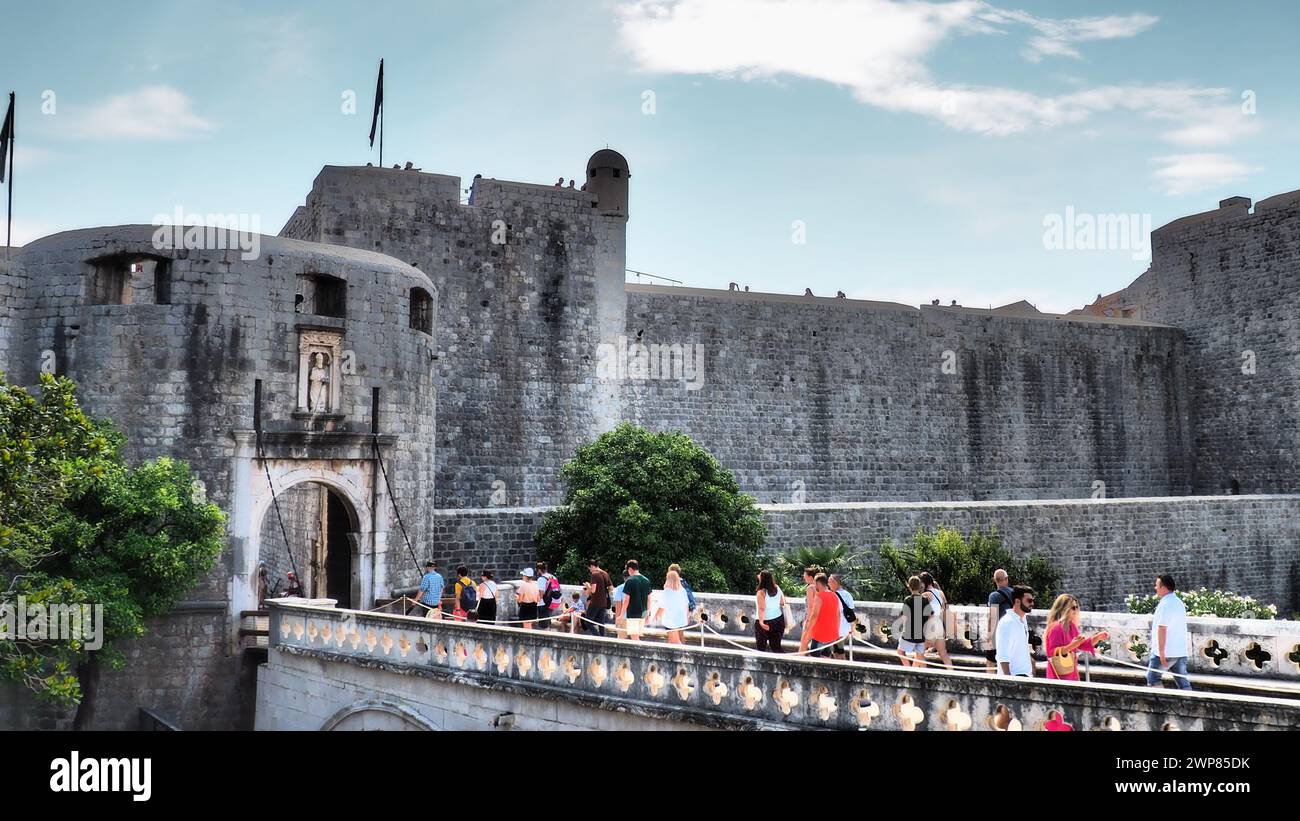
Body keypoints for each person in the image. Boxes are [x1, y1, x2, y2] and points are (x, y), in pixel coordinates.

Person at [1044, 594, 1108, 681]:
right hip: (1058, 675)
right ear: (1064, 608)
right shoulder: (1056, 628)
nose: (1076, 610)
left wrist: (1097, 637)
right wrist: (1072, 645)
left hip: (1070, 671)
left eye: (1077, 607)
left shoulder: (1071, 626)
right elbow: (1051, 652)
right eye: (1073, 607)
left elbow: (1082, 645)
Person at [1147, 574, 1192, 690]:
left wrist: (1162, 653)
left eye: (1157, 585)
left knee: (1152, 679)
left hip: (1166, 653)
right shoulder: (1178, 602)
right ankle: (1190, 705)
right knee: (1183, 683)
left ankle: (1159, 705)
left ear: (1164, 588)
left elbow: (1162, 628)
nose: (1155, 588)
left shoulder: (1165, 604)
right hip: (1180, 651)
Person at [995, 586, 1035, 677]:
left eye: (1033, 600)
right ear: (1017, 601)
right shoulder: (1007, 623)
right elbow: (1002, 655)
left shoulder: (1022, 620)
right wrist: (1009, 681)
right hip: (1015, 677)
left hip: (1025, 676)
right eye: (1029, 600)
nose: (1032, 603)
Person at [919, 572, 953, 670]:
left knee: (919, 652)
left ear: (924, 583)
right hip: (938, 624)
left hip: (930, 625)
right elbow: (945, 609)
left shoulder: (925, 595)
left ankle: (921, 675)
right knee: (943, 654)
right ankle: (952, 673)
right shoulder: (940, 593)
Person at [803, 574, 841, 658]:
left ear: (819, 584)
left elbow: (814, 616)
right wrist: (836, 632)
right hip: (832, 634)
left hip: (819, 635)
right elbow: (838, 615)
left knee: (814, 660)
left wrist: (807, 632)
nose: (814, 586)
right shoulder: (834, 595)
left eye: (815, 584)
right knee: (826, 659)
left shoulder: (819, 597)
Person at [896, 576, 930, 667]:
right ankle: (919, 673)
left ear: (909, 586)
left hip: (909, 632)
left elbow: (904, 617)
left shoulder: (908, 600)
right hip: (922, 633)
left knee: (900, 652)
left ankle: (909, 670)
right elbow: (930, 615)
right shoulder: (925, 600)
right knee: (919, 656)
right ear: (919, 586)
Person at [985, 569, 1015, 673]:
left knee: (990, 661)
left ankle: (990, 684)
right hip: (1014, 631)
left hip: (999, 633)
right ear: (1006, 579)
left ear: (994, 580)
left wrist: (989, 637)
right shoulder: (1015, 593)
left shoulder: (994, 596)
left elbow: (992, 617)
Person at [652, 569, 691, 644]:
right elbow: (686, 604)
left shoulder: (667, 591)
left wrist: (656, 616)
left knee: (675, 641)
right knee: (671, 640)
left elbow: (662, 606)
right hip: (681, 618)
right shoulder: (682, 590)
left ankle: (686, 655)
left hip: (671, 619)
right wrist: (687, 617)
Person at [618, 560, 652, 641]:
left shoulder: (629, 581)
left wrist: (621, 615)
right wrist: (648, 613)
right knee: (636, 637)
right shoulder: (646, 580)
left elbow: (626, 600)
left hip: (633, 614)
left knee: (634, 638)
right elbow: (649, 599)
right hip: (642, 614)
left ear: (630, 569)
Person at [754, 570, 787, 653]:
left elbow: (762, 608)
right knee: (776, 647)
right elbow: (782, 602)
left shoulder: (761, 592)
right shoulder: (777, 588)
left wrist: (761, 622)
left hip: (766, 621)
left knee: (761, 647)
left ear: (762, 578)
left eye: (760, 575)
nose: (758, 576)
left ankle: (762, 665)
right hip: (778, 620)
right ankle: (784, 664)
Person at [828, 574, 855, 659]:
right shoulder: (847, 594)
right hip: (846, 628)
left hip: (837, 629)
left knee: (838, 651)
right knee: (837, 651)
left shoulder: (833, 595)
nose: (828, 583)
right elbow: (851, 609)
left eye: (829, 581)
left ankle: (844, 670)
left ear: (835, 582)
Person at [585, 558, 614, 637]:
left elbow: (593, 590)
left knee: (587, 621)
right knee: (601, 623)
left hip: (595, 602)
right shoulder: (605, 573)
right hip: (604, 602)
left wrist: (588, 586)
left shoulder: (594, 574)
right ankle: (602, 638)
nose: (590, 570)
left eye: (589, 568)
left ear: (592, 566)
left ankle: (597, 636)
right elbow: (611, 588)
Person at [798, 566, 820, 653]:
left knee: (804, 643)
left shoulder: (810, 588)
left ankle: (800, 662)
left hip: (812, 619)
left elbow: (811, 607)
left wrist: (807, 621)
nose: (804, 577)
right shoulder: (820, 587)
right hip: (820, 619)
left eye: (805, 576)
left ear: (810, 577)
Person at [536, 561, 562, 629]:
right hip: (552, 602)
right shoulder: (552, 577)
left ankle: (545, 639)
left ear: (539, 570)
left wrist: (536, 601)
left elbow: (541, 594)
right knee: (547, 622)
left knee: (543, 625)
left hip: (543, 604)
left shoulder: (541, 579)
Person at [611, 570, 629, 639]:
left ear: (624, 577)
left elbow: (618, 605)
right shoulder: (637, 587)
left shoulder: (620, 588)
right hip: (635, 617)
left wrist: (617, 619)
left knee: (622, 640)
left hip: (623, 617)